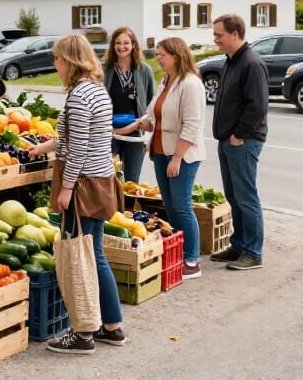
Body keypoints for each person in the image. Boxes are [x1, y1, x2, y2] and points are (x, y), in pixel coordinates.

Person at [29, 35, 125, 355]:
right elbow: (77, 137)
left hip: (83, 184)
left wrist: (67, 189)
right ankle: (111, 325)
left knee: (82, 257)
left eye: (57, 59)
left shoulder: (78, 96)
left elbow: (79, 149)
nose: (55, 65)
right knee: (94, 254)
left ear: (70, 61)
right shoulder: (96, 90)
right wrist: (46, 146)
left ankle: (83, 333)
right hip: (100, 180)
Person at [120, 37, 206, 278]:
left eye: (162, 54)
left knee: (182, 206)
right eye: (157, 54)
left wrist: (177, 158)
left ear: (177, 56)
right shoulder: (166, 81)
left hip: (181, 155)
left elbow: (192, 125)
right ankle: (178, 250)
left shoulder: (191, 84)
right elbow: (153, 115)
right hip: (160, 151)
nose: (158, 58)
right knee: (170, 206)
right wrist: (136, 124)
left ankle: (192, 259)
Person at [210, 13, 268, 271]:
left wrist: (238, 135)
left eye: (219, 35)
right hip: (228, 140)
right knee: (233, 196)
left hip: (243, 142)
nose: (215, 40)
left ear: (235, 34)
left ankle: (253, 252)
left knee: (246, 197)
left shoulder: (251, 64)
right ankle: (239, 245)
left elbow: (257, 107)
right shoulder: (231, 61)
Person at [102, 27, 155, 184]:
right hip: (109, 131)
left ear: (133, 45)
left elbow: (152, 102)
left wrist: (145, 124)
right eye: (117, 43)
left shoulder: (144, 69)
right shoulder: (104, 69)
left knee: (132, 180)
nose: (121, 47)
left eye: (126, 43)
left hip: (135, 132)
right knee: (108, 178)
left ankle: (129, 208)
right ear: (112, 46)